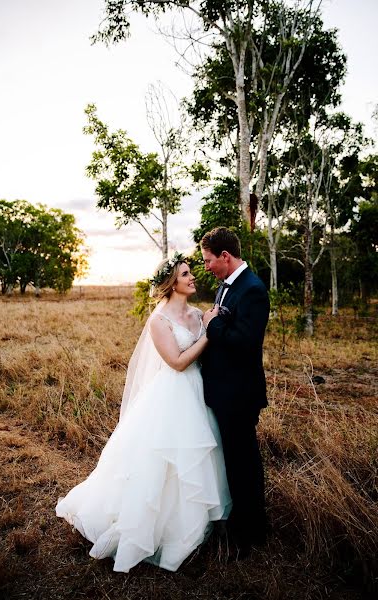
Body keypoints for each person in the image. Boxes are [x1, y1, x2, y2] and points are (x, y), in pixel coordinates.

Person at [56, 253, 231, 573]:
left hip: (197, 393)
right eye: (186, 274)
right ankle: (155, 530)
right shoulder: (158, 321)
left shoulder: (196, 314)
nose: (193, 277)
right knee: (161, 461)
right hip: (171, 395)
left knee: (197, 459)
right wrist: (209, 333)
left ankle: (198, 525)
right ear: (172, 283)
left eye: (191, 272)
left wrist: (209, 325)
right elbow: (178, 362)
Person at [200, 227, 270, 556]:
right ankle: (244, 521)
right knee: (235, 460)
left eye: (208, 260)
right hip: (226, 390)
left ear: (225, 257)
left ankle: (251, 530)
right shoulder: (227, 286)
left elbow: (243, 342)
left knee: (244, 463)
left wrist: (211, 324)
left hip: (239, 393)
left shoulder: (252, 290)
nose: (206, 266)